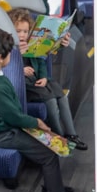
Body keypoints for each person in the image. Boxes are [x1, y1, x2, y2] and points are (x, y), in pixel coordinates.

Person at [0, 26, 73, 192]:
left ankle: (53, 188)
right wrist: (37, 122)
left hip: (6, 127)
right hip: (5, 132)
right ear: (0, 58)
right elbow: (13, 117)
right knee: (48, 154)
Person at [8, 8, 87, 150]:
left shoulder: (31, 45)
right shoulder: (9, 49)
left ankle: (72, 134)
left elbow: (40, 61)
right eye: (18, 31)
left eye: (25, 32)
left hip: (38, 80)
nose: (22, 35)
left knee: (60, 94)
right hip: (25, 85)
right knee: (50, 100)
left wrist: (44, 77)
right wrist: (20, 68)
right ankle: (59, 135)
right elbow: (7, 68)